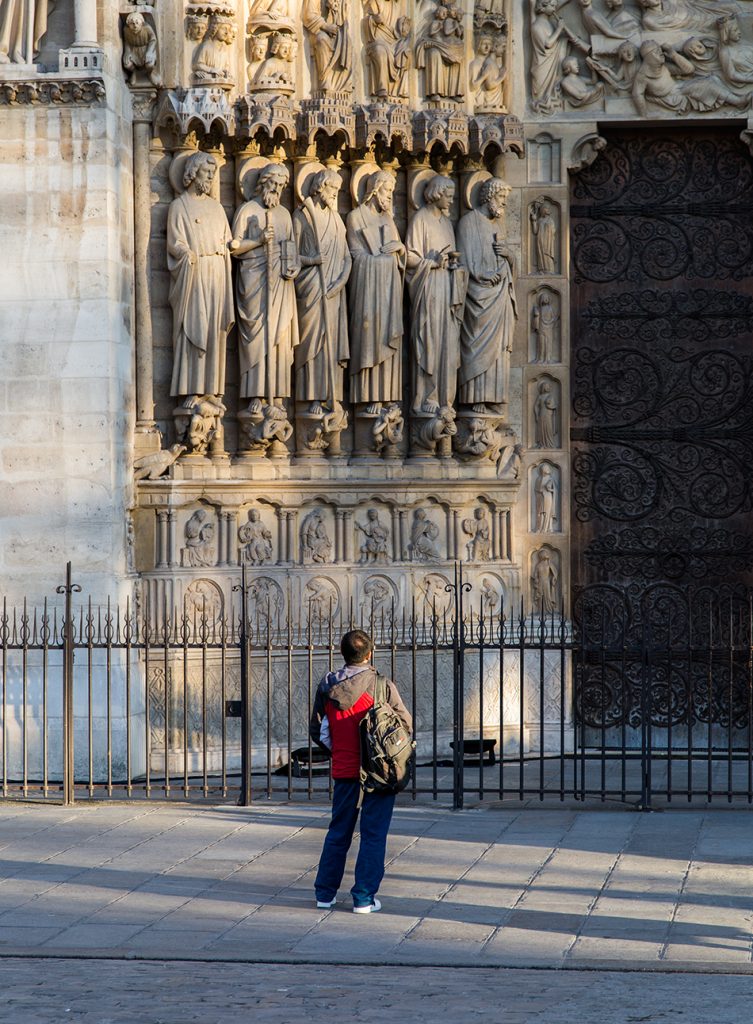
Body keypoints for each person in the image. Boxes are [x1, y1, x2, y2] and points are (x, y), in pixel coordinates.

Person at [310, 629, 412, 913]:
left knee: (338, 832)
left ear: (343, 654)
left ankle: (324, 894)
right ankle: (364, 898)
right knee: (373, 835)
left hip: (344, 771)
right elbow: (405, 725)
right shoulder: (382, 685)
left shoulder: (327, 687)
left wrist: (340, 752)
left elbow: (318, 731)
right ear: (370, 653)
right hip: (378, 773)